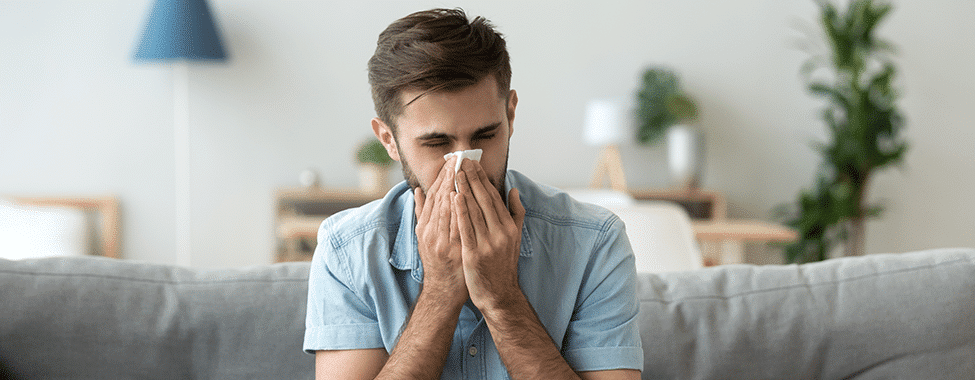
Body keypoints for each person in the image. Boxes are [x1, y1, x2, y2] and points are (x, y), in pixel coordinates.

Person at [304, 8, 642, 379]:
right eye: (436, 143)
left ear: (510, 115)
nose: (466, 166)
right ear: (389, 140)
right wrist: (440, 294)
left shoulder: (594, 243)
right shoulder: (347, 252)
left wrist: (502, 300)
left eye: (485, 136)